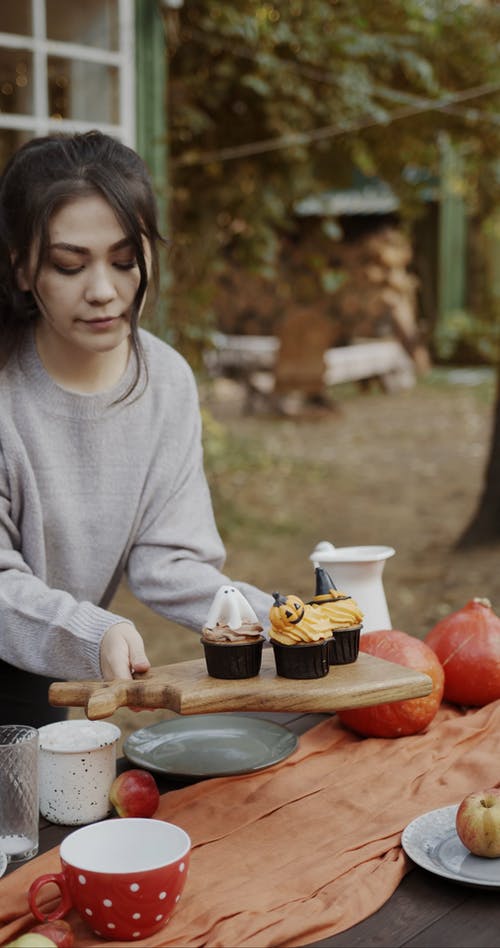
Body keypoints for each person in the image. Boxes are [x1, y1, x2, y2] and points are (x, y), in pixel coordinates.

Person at [0, 130, 273, 727]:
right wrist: (90, 632)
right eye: (70, 265)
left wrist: (278, 620)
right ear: (22, 267)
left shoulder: (166, 380)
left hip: (41, 677)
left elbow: (166, 557)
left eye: (125, 261)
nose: (103, 291)